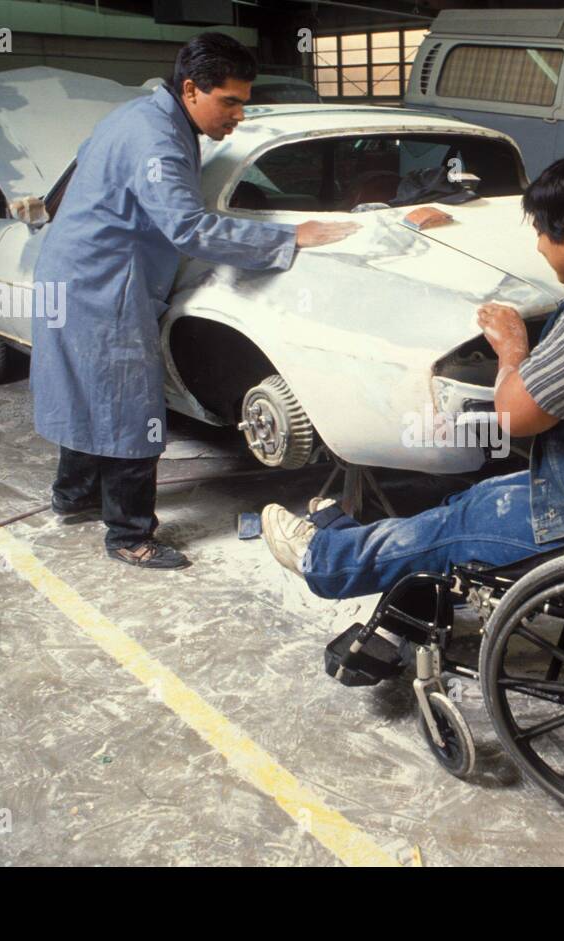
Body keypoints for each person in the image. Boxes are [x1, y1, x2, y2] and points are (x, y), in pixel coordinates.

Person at [259, 155, 564, 598]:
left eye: (540, 233)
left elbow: (515, 418)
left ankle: (325, 558)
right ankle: (354, 541)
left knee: (453, 528)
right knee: (474, 500)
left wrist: (512, 349)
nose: (538, 246)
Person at [33, 33, 358, 570]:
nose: (237, 117)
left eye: (243, 104)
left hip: (69, 271)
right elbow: (188, 228)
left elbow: (67, 188)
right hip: (103, 283)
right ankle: (129, 534)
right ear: (190, 89)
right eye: (228, 102)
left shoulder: (136, 115)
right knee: (129, 406)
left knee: (87, 391)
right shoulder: (158, 138)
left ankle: (74, 495)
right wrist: (291, 237)